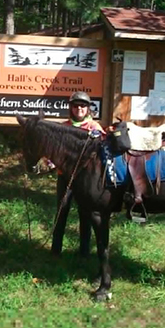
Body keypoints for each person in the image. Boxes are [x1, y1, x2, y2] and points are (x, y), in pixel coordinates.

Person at [52, 91, 105, 257]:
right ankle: (55, 250)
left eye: (83, 105)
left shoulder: (94, 128)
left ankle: (84, 252)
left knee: (86, 214)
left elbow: (102, 152)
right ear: (71, 108)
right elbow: (54, 150)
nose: (79, 108)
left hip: (86, 180)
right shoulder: (63, 127)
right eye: (75, 105)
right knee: (62, 211)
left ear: (88, 108)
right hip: (65, 177)